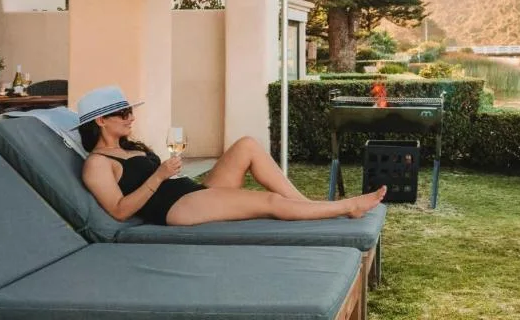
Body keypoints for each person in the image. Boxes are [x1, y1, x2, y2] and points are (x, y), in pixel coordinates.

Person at [76, 85, 385, 226]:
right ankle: (348, 207)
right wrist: (159, 175)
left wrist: (168, 172)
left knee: (247, 145)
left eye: (130, 111)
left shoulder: (129, 147)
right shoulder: (97, 163)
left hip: (190, 192)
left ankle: (306, 206)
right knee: (269, 202)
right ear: (101, 121)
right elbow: (119, 211)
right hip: (176, 208)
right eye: (123, 113)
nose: (131, 117)